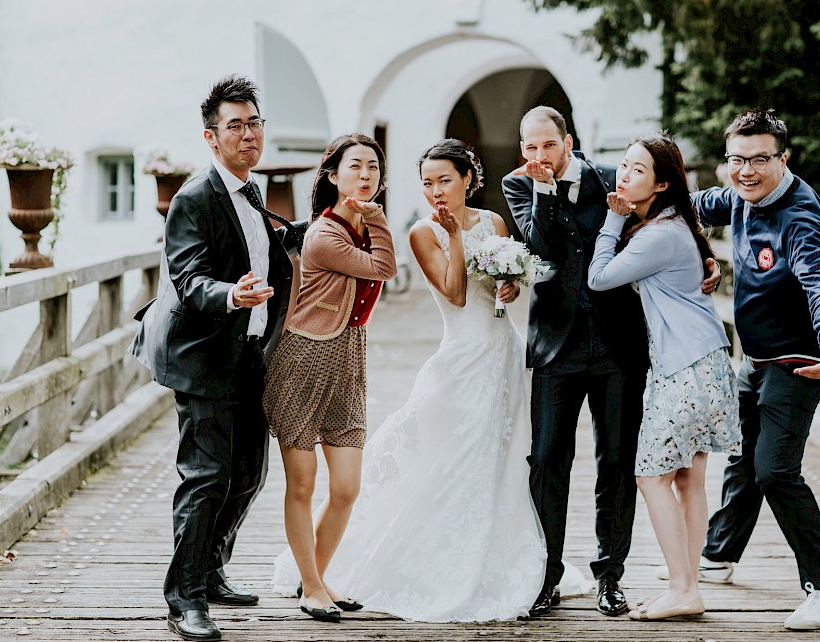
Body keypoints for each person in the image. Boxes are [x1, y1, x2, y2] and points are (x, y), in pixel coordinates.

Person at [272, 138, 582, 621]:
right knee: (443, 455)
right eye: (427, 182)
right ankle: (316, 576)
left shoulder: (495, 222)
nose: (435, 190)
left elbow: (507, 286)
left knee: (506, 457)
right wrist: (455, 237)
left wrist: (509, 281)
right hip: (458, 356)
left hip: (501, 350)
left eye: (444, 180)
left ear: (468, 180)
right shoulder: (421, 233)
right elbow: (455, 294)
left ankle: (498, 555)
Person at [502, 106, 721, 617]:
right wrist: (546, 192)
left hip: (618, 345)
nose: (539, 157)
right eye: (529, 148)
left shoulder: (615, 177)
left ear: (569, 142)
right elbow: (542, 247)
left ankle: (610, 575)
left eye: (548, 147)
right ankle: (545, 575)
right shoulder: (521, 185)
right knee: (548, 461)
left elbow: (667, 217)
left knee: (617, 462)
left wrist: (702, 252)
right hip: (555, 344)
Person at [129, 74, 303, 642]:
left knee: (249, 473)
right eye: (236, 126)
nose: (249, 134)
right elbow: (188, 277)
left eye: (255, 123)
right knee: (206, 478)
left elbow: (264, 248)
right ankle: (184, 600)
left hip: (251, 353)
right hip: (203, 357)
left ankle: (209, 570)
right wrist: (231, 294)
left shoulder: (251, 192)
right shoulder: (194, 197)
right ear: (212, 137)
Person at [687, 109, 820, 631]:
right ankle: (720, 552)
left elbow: (819, 279)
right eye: (737, 160)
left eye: (760, 160)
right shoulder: (739, 196)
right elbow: (687, 206)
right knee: (741, 454)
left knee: (775, 470)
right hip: (754, 357)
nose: (746, 171)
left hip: (800, 361)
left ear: (784, 158)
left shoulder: (799, 216)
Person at [587, 133, 741, 621]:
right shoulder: (676, 224)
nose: (623, 176)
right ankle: (687, 582)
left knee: (651, 476)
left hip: (684, 367)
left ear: (662, 184)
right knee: (689, 481)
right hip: (707, 360)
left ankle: (682, 588)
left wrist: (612, 220)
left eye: (636, 170)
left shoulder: (658, 234)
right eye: (624, 166)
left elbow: (599, 277)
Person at [261, 133, 397, 623]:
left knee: (346, 487)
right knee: (302, 484)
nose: (366, 176)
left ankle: (312, 579)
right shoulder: (325, 234)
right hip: (303, 361)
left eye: (374, 169)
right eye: (356, 166)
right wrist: (379, 220)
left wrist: (373, 221)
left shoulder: (361, 228)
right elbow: (385, 267)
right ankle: (314, 587)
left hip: (347, 361)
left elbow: (380, 267)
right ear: (333, 175)